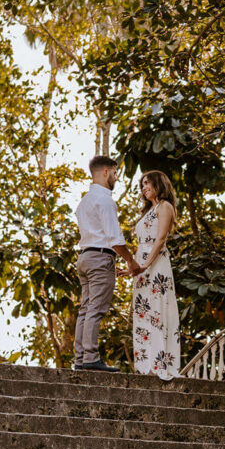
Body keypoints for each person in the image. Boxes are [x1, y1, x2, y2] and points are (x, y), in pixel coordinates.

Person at [72, 155, 141, 373]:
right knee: (95, 310)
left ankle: (81, 358)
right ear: (105, 172)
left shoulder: (84, 201)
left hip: (84, 257)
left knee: (85, 309)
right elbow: (115, 239)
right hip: (100, 257)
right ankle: (91, 358)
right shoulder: (105, 200)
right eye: (114, 172)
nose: (116, 177)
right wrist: (131, 260)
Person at [126, 170, 181, 380]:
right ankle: (145, 365)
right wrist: (133, 267)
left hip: (156, 266)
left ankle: (159, 364)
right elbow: (142, 244)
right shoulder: (148, 211)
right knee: (143, 312)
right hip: (142, 267)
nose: (144, 188)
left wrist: (146, 265)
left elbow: (160, 240)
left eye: (147, 183)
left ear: (159, 184)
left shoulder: (165, 206)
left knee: (157, 311)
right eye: (142, 185)